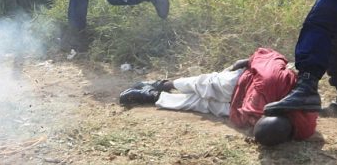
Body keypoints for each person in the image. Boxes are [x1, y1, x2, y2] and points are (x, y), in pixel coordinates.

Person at [119, 47, 317, 146]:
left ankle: (154, 96)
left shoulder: (303, 128)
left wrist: (260, 133)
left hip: (235, 109)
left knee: (199, 104)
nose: (252, 123)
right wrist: (247, 61)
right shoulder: (272, 79)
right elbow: (273, 57)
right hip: (242, 82)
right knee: (204, 84)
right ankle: (162, 84)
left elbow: (269, 131)